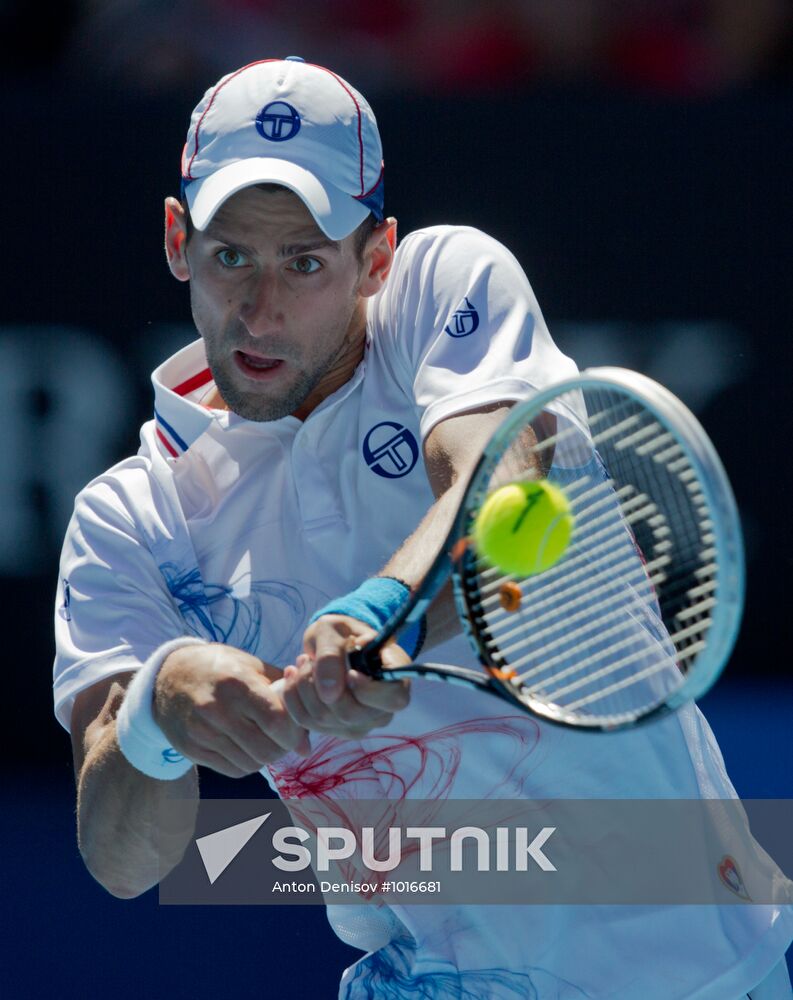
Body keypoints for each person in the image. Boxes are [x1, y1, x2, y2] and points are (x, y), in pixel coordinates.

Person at [54, 56, 792, 999]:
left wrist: (376, 613)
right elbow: (122, 860)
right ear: (175, 239)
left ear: (377, 256)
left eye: (305, 262)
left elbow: (498, 481)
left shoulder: (445, 284)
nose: (260, 308)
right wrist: (159, 714)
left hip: (690, 971)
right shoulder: (129, 518)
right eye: (229, 254)